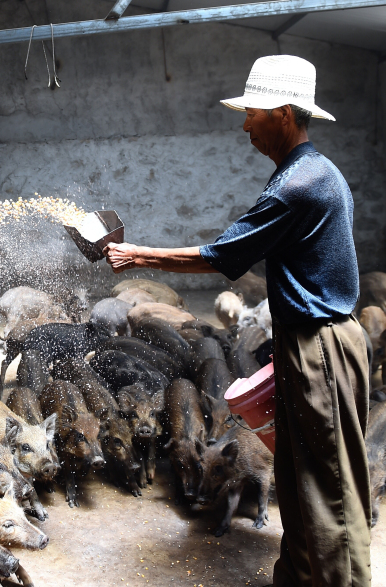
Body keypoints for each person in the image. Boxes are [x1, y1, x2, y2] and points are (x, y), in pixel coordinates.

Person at [104, 55, 372, 587]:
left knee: (328, 491)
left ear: (286, 114)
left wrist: (137, 256)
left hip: (321, 345)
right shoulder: (304, 172)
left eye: (253, 112)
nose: (245, 123)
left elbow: (222, 256)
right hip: (307, 340)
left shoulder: (299, 183)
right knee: (298, 478)